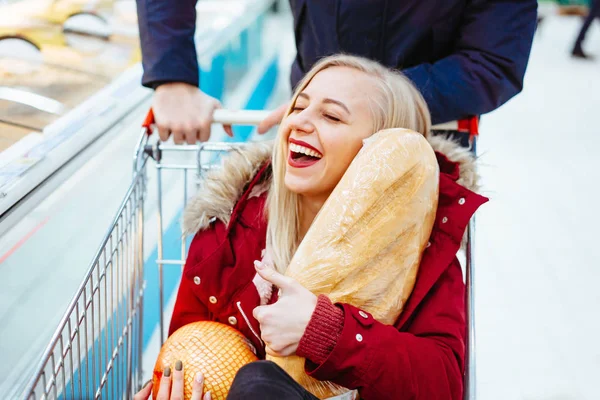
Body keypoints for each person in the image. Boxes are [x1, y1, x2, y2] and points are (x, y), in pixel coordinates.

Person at [134, 54, 489, 400]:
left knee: (259, 384)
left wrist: (327, 332)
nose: (298, 123)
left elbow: (442, 385)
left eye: (331, 116)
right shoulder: (227, 232)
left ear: (384, 156)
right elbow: (186, 346)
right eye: (298, 106)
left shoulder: (424, 259)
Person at [135, 0, 538, 144]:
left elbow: (493, 62)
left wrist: (347, 102)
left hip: (422, 148)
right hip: (309, 145)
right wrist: (172, 76)